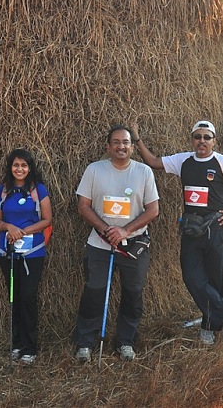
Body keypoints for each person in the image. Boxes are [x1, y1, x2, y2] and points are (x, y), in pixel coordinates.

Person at [131, 120, 223, 346]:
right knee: (191, 276)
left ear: (214, 141)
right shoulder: (183, 160)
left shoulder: (222, 162)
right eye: (197, 137)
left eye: (207, 137)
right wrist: (137, 139)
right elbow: (153, 162)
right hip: (191, 228)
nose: (202, 141)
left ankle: (210, 326)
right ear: (192, 139)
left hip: (215, 229)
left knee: (215, 280)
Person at [74, 125, 160, 363]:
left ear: (132, 146)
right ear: (108, 146)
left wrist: (125, 230)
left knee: (133, 294)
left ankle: (125, 341)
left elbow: (153, 210)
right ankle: (85, 342)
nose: (121, 146)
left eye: (126, 142)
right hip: (100, 246)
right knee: (94, 292)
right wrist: (106, 230)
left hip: (133, 247)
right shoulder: (94, 170)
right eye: (116, 142)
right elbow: (83, 205)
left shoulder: (143, 172)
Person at [0, 148, 53, 365]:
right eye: (16, 165)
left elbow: (47, 219)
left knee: (27, 297)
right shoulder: (4, 190)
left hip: (32, 252)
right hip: (7, 251)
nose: (20, 169)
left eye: (24, 165)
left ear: (30, 168)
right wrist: (8, 226)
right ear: (10, 167)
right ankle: (16, 344)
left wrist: (23, 232)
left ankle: (30, 347)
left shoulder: (38, 190)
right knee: (14, 297)